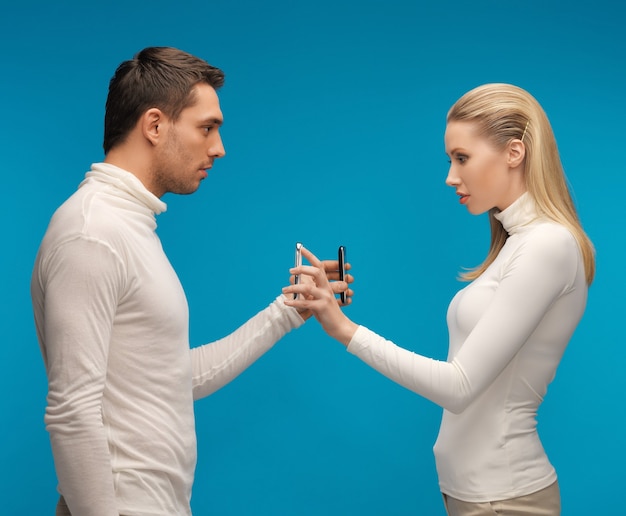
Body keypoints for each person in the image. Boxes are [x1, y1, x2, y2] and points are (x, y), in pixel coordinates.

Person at [30, 46, 352, 516]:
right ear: (155, 125)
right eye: (207, 128)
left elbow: (171, 377)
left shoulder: (129, 225)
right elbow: (71, 411)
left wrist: (288, 310)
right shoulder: (93, 232)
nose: (219, 147)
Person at [283, 83, 595, 516]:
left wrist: (344, 329)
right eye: (451, 159)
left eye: (461, 158)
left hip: (504, 500)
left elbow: (460, 386)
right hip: (475, 494)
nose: (450, 176)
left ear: (514, 152)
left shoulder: (546, 245)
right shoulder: (519, 243)